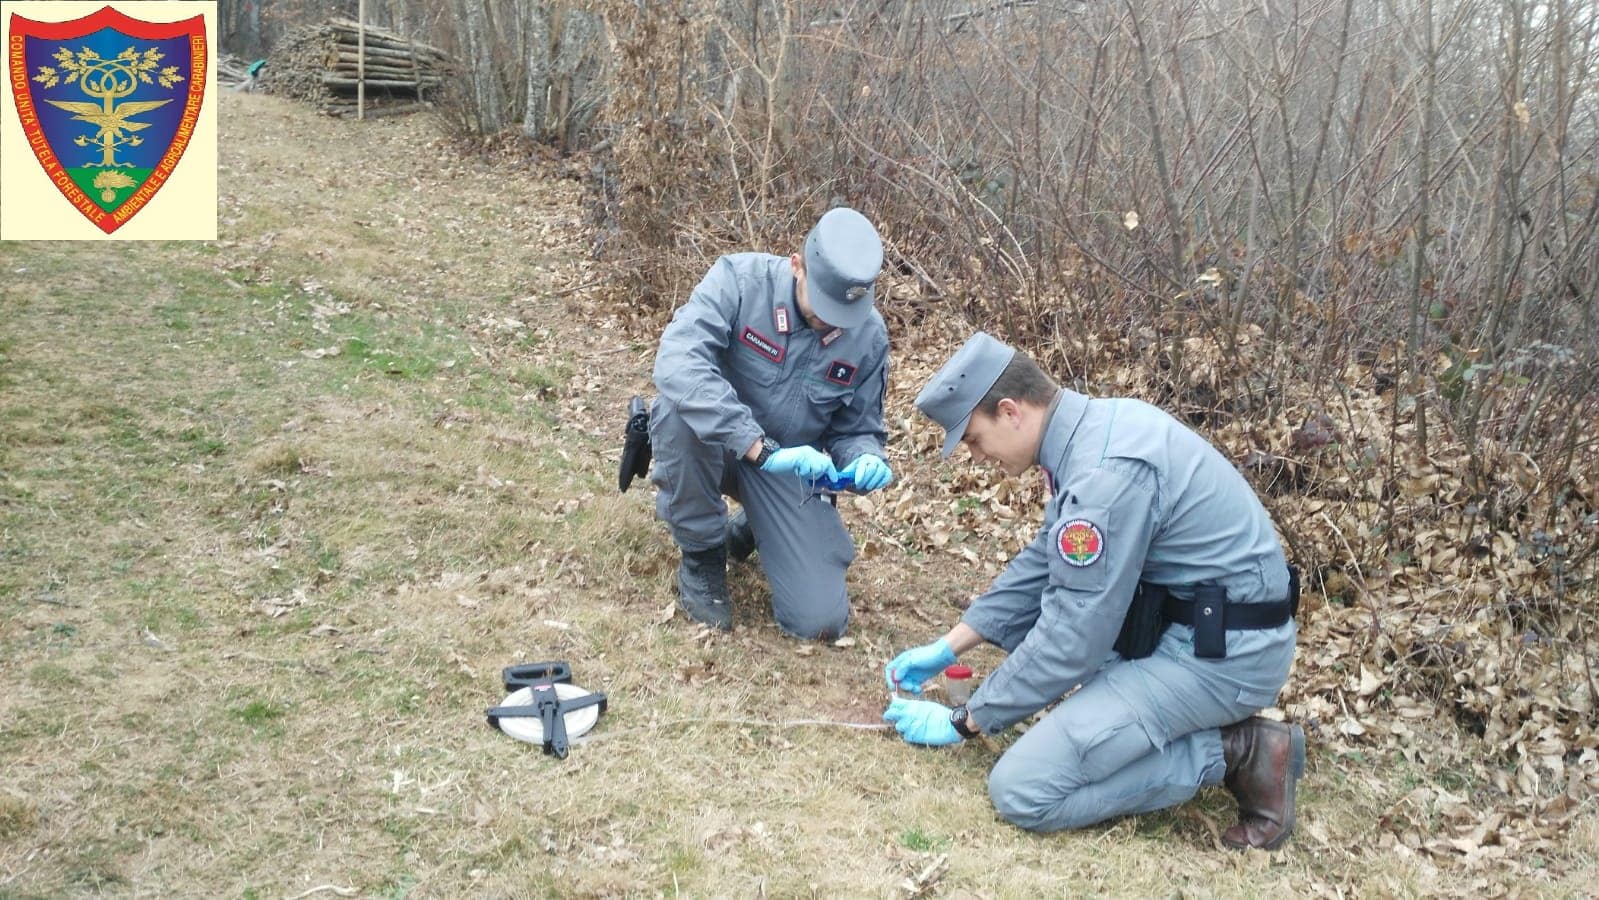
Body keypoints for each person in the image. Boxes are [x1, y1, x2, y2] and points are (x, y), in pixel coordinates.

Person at [882, 332, 1304, 850]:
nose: (975, 455)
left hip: (1221, 656)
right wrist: (950, 647)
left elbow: (1073, 636)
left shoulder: (1104, 473)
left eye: (972, 439)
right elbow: (1044, 562)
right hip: (1193, 626)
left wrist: (969, 720)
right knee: (1053, 682)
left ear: (1011, 411)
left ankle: (1239, 749)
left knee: (1023, 789)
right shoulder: (1093, 429)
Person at [648, 207, 893, 639]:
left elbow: (857, 429)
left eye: (844, 314)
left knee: (819, 621)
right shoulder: (739, 281)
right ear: (796, 266)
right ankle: (703, 554)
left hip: (790, 469)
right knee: (676, 410)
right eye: (824, 309)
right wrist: (757, 446)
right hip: (719, 444)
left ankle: (754, 526)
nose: (833, 323)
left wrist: (865, 457)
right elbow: (678, 361)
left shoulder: (869, 337)